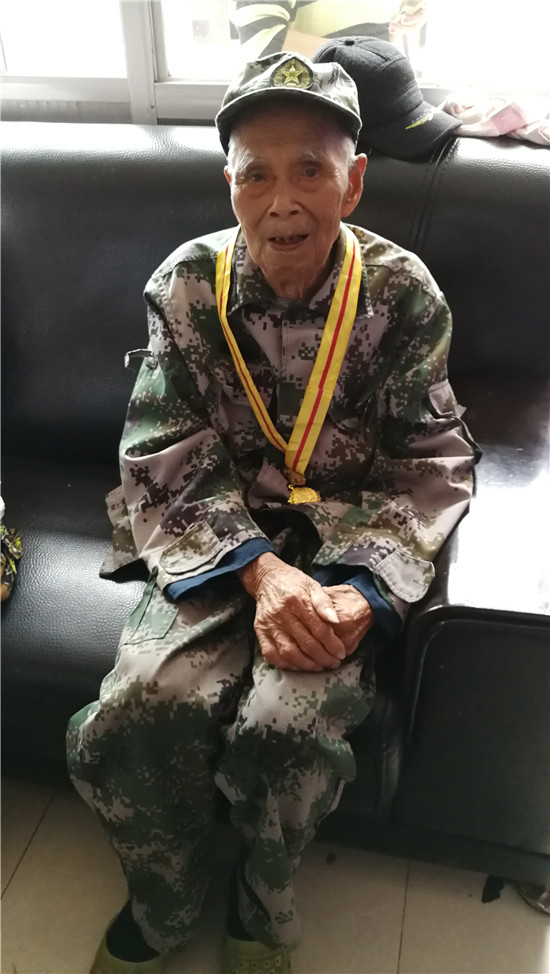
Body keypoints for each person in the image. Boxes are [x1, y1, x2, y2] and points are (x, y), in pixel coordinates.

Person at [67, 51, 479, 974]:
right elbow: (162, 449)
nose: (282, 202)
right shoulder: (186, 286)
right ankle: (166, 899)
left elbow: (432, 459)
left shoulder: (404, 296)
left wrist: (365, 593)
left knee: (285, 727)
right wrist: (259, 570)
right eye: (256, 174)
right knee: (141, 705)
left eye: (310, 171)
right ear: (230, 183)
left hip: (348, 544)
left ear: (353, 182)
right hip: (214, 535)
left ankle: (261, 909)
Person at [230, 0, 427, 61]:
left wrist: (408, 17)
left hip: (380, 102)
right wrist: (368, 59)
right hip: (304, 115)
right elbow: (262, 43)